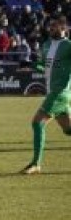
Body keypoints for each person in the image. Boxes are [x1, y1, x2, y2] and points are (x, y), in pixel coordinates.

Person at [21, 17, 71, 174]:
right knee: (68, 130)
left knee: (37, 122)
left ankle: (36, 163)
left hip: (60, 92)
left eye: (55, 27)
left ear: (64, 29)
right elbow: (44, 67)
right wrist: (31, 64)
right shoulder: (47, 45)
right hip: (52, 92)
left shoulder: (68, 45)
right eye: (51, 27)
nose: (51, 29)